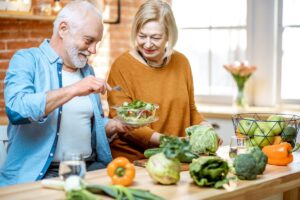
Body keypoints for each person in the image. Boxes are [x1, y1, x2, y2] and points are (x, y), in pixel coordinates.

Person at [0, 1, 131, 187]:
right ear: (63, 29)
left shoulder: (87, 71)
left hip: (90, 168)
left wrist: (114, 125)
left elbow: (82, 124)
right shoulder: (27, 59)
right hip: (42, 174)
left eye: (97, 43)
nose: (93, 50)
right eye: (88, 40)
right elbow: (16, 109)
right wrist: (74, 89)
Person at [107, 0, 213, 162]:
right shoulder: (122, 66)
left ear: (169, 36)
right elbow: (124, 123)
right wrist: (169, 141)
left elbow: (190, 109)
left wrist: (204, 127)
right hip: (135, 160)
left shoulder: (181, 62)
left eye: (155, 37)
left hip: (175, 156)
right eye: (142, 36)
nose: (147, 44)